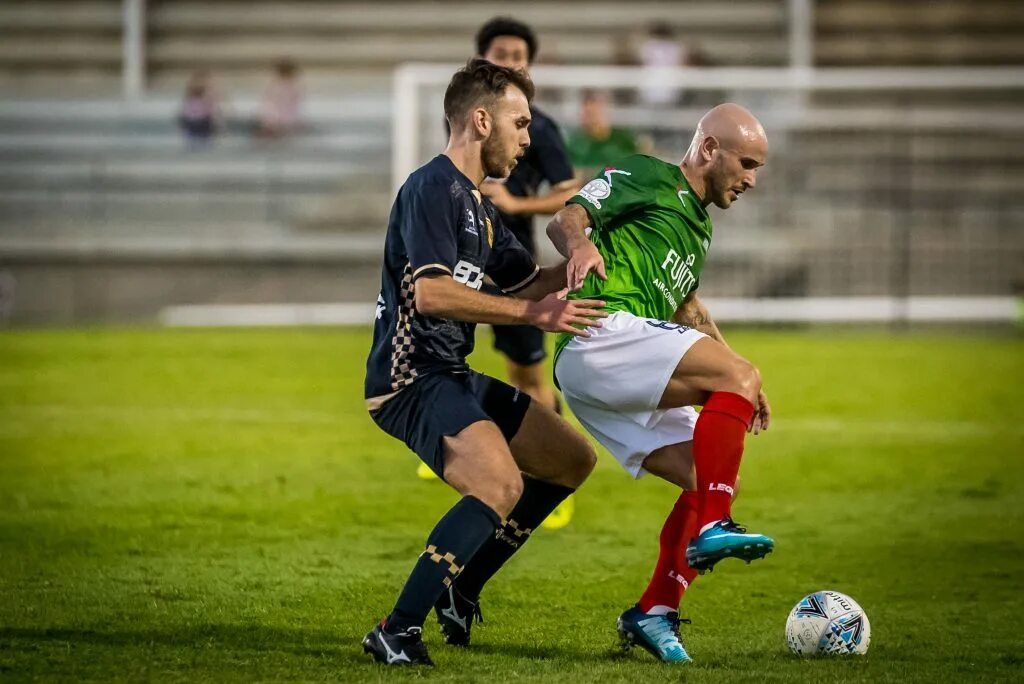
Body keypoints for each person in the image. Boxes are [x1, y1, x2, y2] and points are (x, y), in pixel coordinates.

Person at [361, 59, 602, 666]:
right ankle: (396, 629)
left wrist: (593, 254)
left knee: (570, 459)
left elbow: (531, 284)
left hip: (451, 373)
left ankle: (461, 589)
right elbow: (432, 293)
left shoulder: (481, 207)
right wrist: (533, 317)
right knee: (500, 484)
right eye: (520, 123)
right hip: (409, 377)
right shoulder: (431, 188)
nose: (528, 137)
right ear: (479, 120)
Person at [545, 103, 775, 664]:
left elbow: (686, 306)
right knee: (733, 403)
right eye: (746, 163)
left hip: (608, 366)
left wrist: (736, 371)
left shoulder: (696, 228)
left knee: (708, 478)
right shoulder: (651, 175)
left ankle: (655, 611)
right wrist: (580, 245)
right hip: (599, 331)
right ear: (709, 148)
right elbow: (567, 215)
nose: (750, 179)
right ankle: (715, 528)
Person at [565, 89, 640, 178]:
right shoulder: (574, 145)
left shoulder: (623, 140)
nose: (592, 119)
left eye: (595, 113)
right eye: (587, 114)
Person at [257, 59, 303, 139]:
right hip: (280, 118)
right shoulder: (279, 85)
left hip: (281, 118)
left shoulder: (288, 85)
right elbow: (271, 102)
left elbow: (294, 103)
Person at [177, 71, 223, 147]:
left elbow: (213, 113)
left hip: (203, 123)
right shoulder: (190, 99)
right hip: (194, 123)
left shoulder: (208, 98)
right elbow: (185, 113)